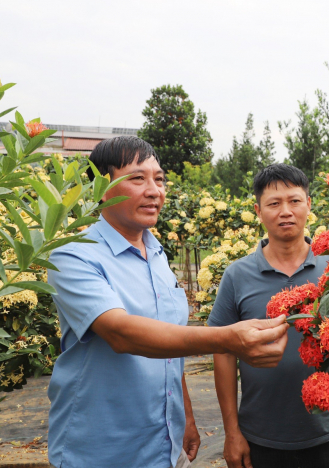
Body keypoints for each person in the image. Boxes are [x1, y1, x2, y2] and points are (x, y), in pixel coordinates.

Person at [46, 136, 289, 468]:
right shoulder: (74, 255)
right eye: (137, 178)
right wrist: (228, 338)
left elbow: (168, 341)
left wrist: (185, 414)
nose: (154, 190)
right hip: (102, 450)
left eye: (159, 179)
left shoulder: (157, 253)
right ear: (101, 187)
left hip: (165, 446)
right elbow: (122, 333)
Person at [208, 164, 329, 468]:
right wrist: (231, 431)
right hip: (260, 437)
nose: (285, 211)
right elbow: (222, 351)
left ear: (309, 205)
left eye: (294, 201)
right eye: (274, 204)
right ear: (258, 211)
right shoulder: (237, 275)